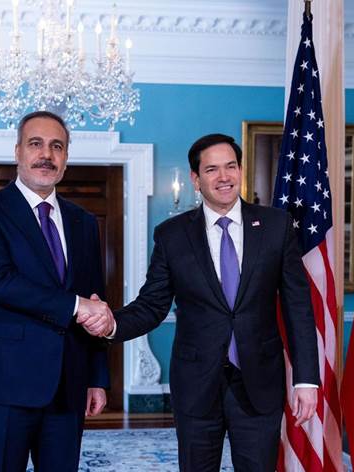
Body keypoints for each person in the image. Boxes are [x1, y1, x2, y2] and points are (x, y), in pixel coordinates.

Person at [93, 133, 320, 471]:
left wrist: (306, 379)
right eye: (212, 169)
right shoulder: (172, 235)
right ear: (196, 179)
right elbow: (152, 305)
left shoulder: (276, 226)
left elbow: (297, 306)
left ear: (240, 170)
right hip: (196, 384)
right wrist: (111, 323)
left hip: (259, 382)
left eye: (230, 166)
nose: (224, 177)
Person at [0, 111, 115, 471]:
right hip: (6, 383)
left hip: (68, 384)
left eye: (57, 146)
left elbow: (93, 297)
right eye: (36, 144)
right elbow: (0, 283)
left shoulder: (83, 221)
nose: (47, 154)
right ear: (18, 151)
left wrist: (96, 378)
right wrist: (76, 306)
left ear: (66, 158)